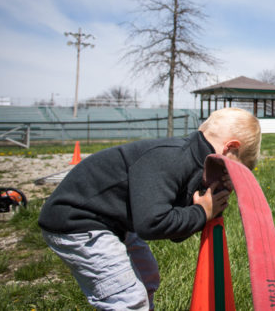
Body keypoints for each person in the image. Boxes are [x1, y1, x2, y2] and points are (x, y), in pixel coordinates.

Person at [38, 107, 261, 310]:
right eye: (233, 170)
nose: (229, 177)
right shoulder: (171, 158)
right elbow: (152, 223)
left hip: (115, 222)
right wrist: (201, 212)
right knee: (128, 299)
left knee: (147, 277)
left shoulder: (194, 163)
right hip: (77, 221)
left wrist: (204, 211)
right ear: (230, 147)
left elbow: (173, 232)